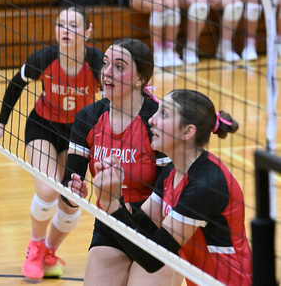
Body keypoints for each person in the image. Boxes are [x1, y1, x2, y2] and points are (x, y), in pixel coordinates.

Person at [46, 38, 183, 286]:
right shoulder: (89, 117)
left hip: (157, 229)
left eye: (119, 67)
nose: (107, 72)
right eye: (106, 63)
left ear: (140, 79)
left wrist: (118, 207)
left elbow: (167, 192)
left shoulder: (158, 121)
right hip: (111, 225)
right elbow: (69, 181)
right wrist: (71, 192)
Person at [0, 7, 103, 280]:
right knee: (48, 189)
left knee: (71, 200)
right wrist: (0, 126)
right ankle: (35, 246)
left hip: (78, 133)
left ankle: (49, 250)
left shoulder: (96, 62)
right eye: (61, 25)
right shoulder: (45, 58)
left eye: (73, 25)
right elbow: (15, 83)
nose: (66, 31)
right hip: (43, 126)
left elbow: (112, 102)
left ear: (88, 32)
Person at [91, 88, 253, 286]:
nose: (152, 119)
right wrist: (116, 195)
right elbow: (141, 227)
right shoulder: (171, 172)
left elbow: (154, 259)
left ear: (188, 132)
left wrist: (111, 205)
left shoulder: (206, 185)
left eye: (164, 114)